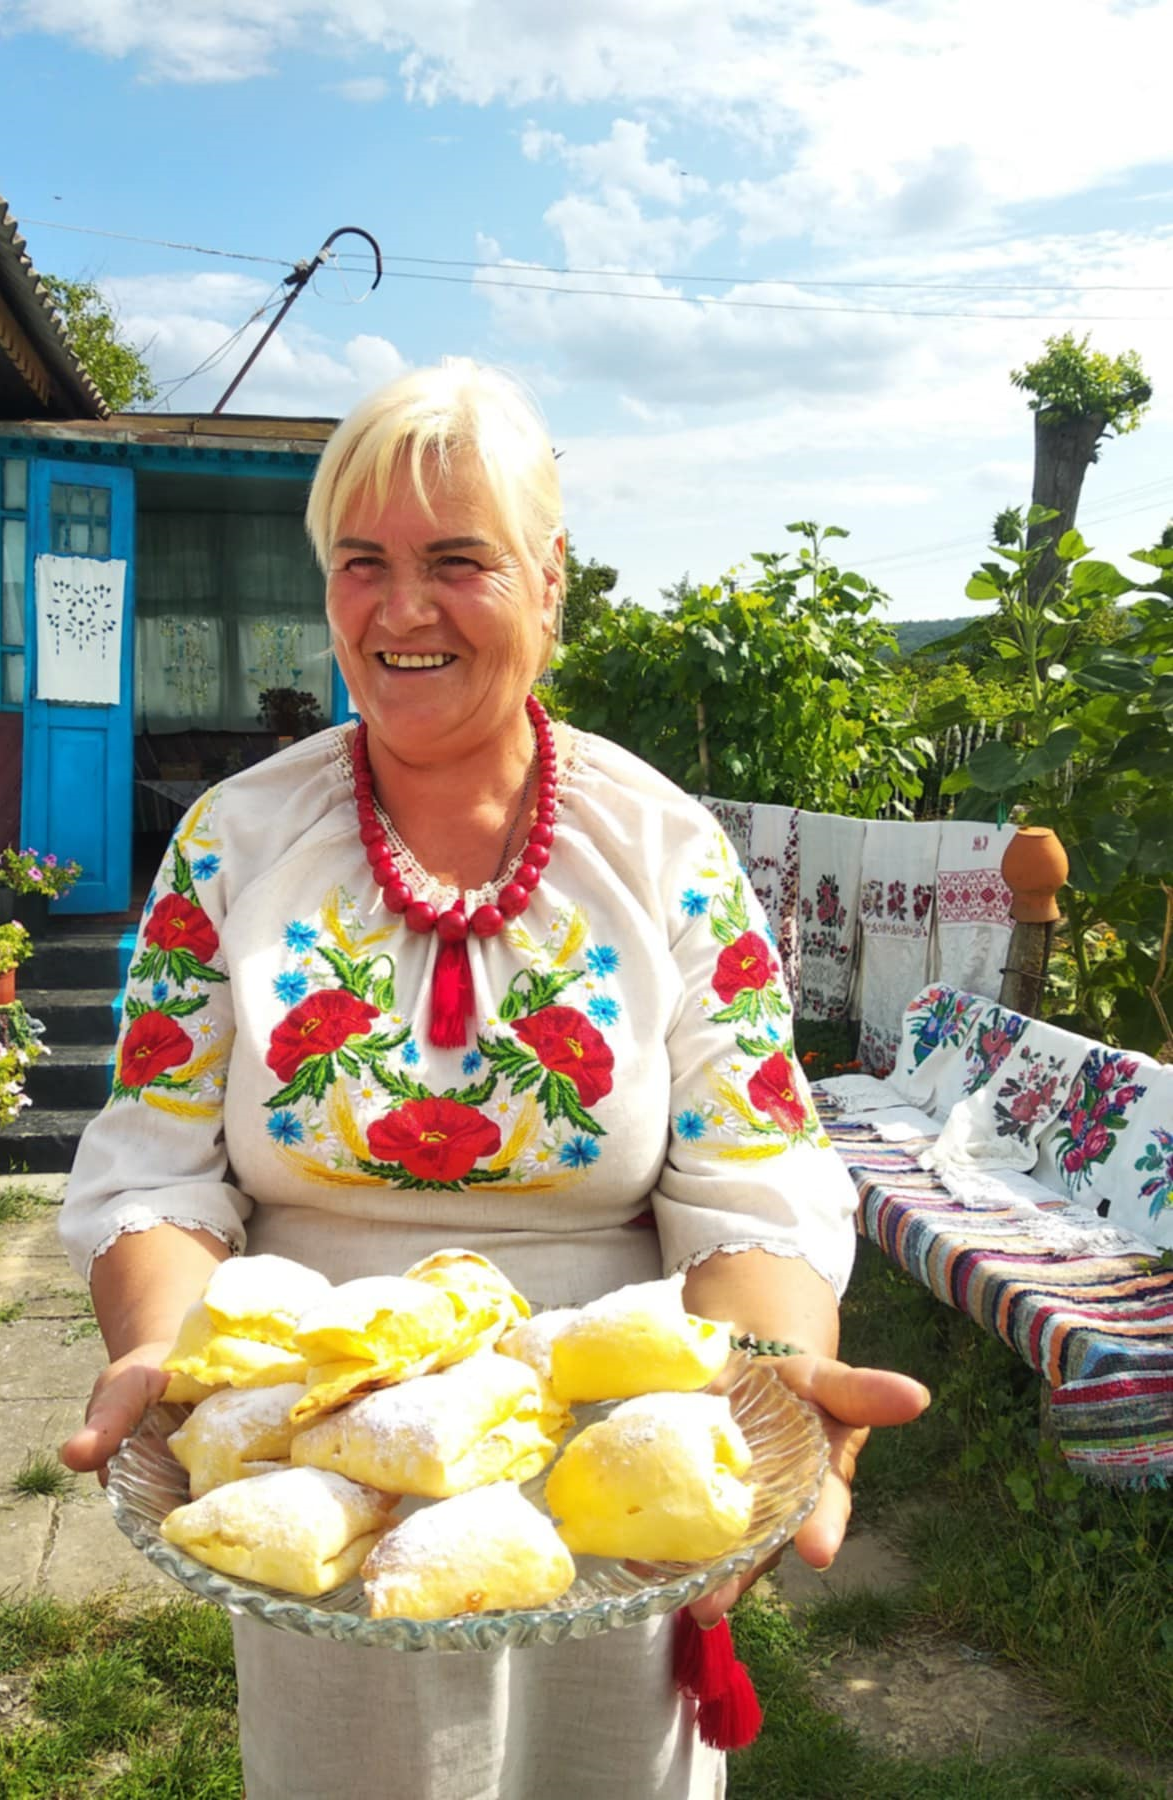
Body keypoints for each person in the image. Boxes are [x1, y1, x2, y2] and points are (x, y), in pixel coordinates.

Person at [59, 358, 929, 1799]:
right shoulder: (234, 842)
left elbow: (750, 1174)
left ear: (546, 579)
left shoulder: (660, 851)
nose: (401, 610)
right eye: (363, 564)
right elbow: (155, 1158)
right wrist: (170, 1353)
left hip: (616, 1438)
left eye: (455, 561)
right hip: (324, 1427)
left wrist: (768, 1381)